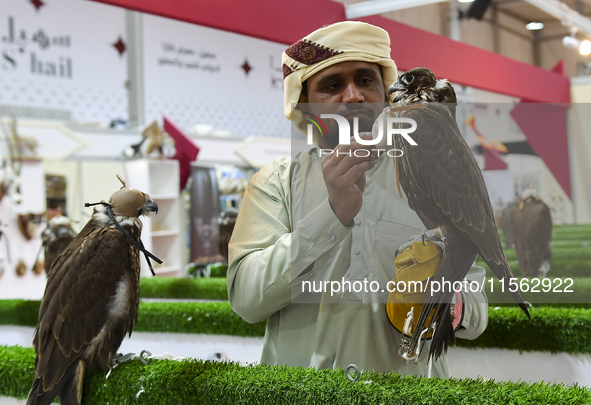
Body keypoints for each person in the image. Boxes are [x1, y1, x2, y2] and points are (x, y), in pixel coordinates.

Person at [227, 21, 488, 378]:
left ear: (386, 92)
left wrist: (449, 303)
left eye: (366, 81)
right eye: (332, 86)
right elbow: (246, 300)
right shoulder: (275, 183)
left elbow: (475, 301)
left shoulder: (432, 177)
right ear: (304, 104)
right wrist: (331, 215)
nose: (353, 96)